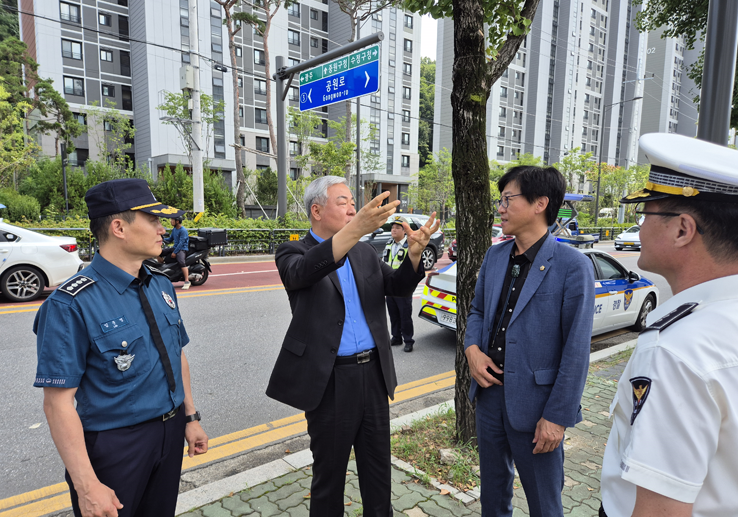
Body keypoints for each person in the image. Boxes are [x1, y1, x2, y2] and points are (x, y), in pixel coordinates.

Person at [265, 176, 439, 517]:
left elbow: (399, 287)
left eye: (352, 202)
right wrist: (355, 229)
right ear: (316, 210)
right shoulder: (292, 252)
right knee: (329, 477)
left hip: (373, 375)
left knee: (378, 472)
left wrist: (416, 256)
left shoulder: (363, 251)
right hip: (329, 382)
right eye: (343, 202)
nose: (352, 208)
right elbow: (303, 272)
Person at [33, 178, 208, 517]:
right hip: (115, 447)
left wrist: (190, 416)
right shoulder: (70, 304)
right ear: (118, 227)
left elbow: (176, 353)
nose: (163, 229)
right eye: (153, 220)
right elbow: (57, 404)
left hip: (169, 434)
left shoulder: (159, 284)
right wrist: (87, 485)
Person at [600, 133, 738, 517]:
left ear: (682, 229)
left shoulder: (679, 350)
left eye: (646, 213)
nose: (640, 226)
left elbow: (661, 509)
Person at [464, 166, 595, 517]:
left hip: (538, 408)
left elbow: (577, 349)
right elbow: (477, 311)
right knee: (492, 494)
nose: (500, 208)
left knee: (544, 503)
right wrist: (472, 350)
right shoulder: (495, 256)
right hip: (490, 395)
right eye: (500, 200)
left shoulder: (572, 266)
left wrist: (557, 416)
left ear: (540, 203)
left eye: (508, 199)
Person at [383, 215, 415, 352]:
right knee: (393, 314)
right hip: (390, 287)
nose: (393, 230)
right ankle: (396, 337)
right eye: (392, 227)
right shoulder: (389, 243)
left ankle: (408, 340)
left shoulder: (410, 246)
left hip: (403, 288)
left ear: (404, 231)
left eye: (397, 228)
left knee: (405, 315)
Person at [162, 216, 191, 289]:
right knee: (159, 252)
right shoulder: (174, 229)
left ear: (177, 221)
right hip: (175, 248)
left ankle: (187, 281)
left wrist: (175, 252)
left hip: (182, 249)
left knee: (181, 262)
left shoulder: (183, 230)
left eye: (172, 219)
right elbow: (170, 239)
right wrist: (162, 239)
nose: (171, 221)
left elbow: (181, 243)